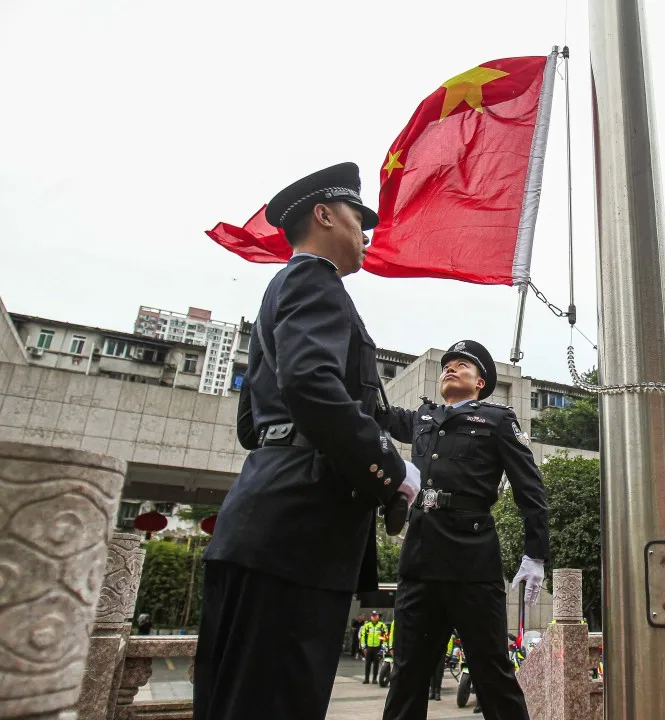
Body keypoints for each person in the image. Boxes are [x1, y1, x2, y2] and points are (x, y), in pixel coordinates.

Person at [194, 162, 422, 720]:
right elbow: (309, 383)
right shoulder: (314, 280)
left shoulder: (283, 289)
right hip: (297, 534)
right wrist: (393, 470)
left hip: (263, 523)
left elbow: (253, 423)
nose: (366, 234)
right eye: (356, 219)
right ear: (324, 215)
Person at [378, 340, 549, 720]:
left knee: (491, 671)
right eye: (447, 365)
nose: (450, 369)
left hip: (471, 558)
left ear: (480, 382)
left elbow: (530, 488)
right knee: (408, 672)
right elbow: (378, 413)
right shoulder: (423, 417)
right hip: (420, 559)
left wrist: (535, 553)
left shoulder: (497, 419)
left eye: (462, 365)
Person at [362, 611, 389, 684]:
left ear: (378, 616)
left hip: (378, 647)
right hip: (369, 647)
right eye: (372, 616)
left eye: (375, 615)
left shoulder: (382, 626)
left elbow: (385, 637)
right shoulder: (367, 625)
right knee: (367, 664)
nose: (374, 617)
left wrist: (383, 649)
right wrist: (364, 647)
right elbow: (363, 636)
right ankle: (366, 679)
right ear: (371, 617)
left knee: (376, 664)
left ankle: (374, 679)